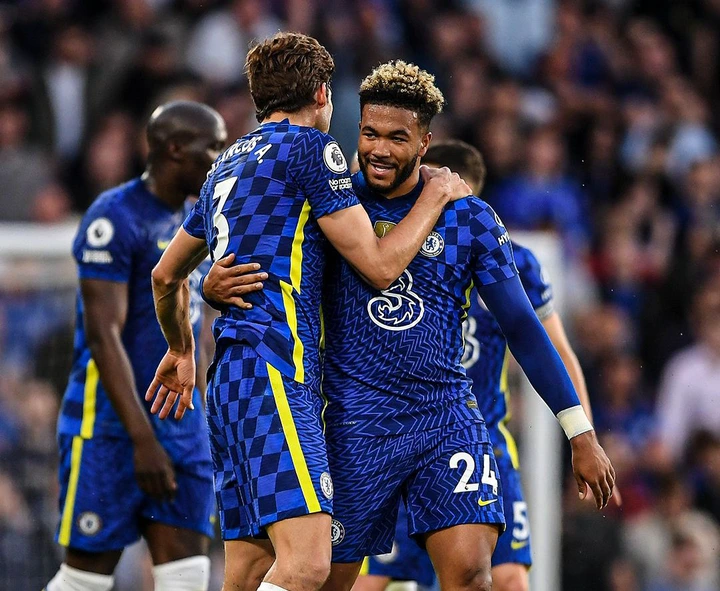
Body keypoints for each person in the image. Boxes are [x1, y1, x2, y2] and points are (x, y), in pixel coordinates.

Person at [201, 61, 615, 591]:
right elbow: (261, 254)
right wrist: (213, 285)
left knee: (472, 573)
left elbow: (524, 329)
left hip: (443, 417)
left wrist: (580, 433)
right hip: (352, 425)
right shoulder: (329, 204)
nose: (379, 149)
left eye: (397, 138)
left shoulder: (470, 220)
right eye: (369, 133)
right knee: (322, 580)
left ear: (425, 143)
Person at [145, 33, 469, 591]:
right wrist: (434, 197)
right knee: (308, 565)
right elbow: (379, 266)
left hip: (229, 383)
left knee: (249, 570)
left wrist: (180, 347)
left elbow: (165, 275)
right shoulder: (312, 149)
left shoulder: (225, 165)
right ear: (322, 93)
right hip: (277, 369)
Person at [354, 139, 597, 591]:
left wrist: (584, 434)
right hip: (401, 438)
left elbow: (554, 348)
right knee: (374, 580)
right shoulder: (385, 249)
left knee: (507, 581)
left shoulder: (512, 261)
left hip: (482, 441)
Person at [44, 101, 230, 591]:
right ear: (175, 149)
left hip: (183, 427)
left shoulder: (200, 219)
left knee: (187, 578)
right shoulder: (114, 216)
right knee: (84, 581)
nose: (221, 158)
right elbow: (103, 336)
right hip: (110, 428)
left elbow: (199, 327)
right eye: (212, 147)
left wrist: (203, 419)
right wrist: (142, 440)